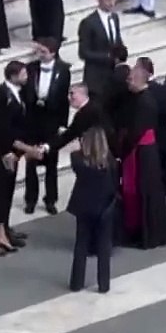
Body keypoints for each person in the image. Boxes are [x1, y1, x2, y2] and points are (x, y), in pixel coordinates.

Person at [0, 61, 42, 256]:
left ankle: (1, 235)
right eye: (23, 74)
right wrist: (27, 149)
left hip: (9, 154)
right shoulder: (0, 96)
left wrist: (18, 151)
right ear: (13, 76)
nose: (26, 77)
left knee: (5, 194)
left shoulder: (17, 94)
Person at [114, 63, 166, 248]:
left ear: (138, 80)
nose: (128, 82)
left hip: (142, 151)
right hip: (143, 150)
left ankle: (146, 234)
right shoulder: (138, 98)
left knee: (143, 192)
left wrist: (121, 150)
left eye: (130, 79)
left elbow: (137, 131)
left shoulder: (145, 102)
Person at [24, 37, 71, 215]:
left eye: (44, 52)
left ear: (53, 53)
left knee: (52, 164)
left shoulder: (63, 70)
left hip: (51, 122)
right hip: (33, 121)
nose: (40, 54)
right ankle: (30, 199)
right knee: (31, 164)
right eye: (39, 51)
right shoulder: (31, 68)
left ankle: (50, 199)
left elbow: (64, 99)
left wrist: (63, 124)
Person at [67, 126, 116, 293]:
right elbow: (114, 181)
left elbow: (77, 165)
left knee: (81, 244)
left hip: (84, 206)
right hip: (105, 207)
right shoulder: (109, 161)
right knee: (104, 246)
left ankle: (76, 282)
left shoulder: (77, 159)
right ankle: (104, 284)